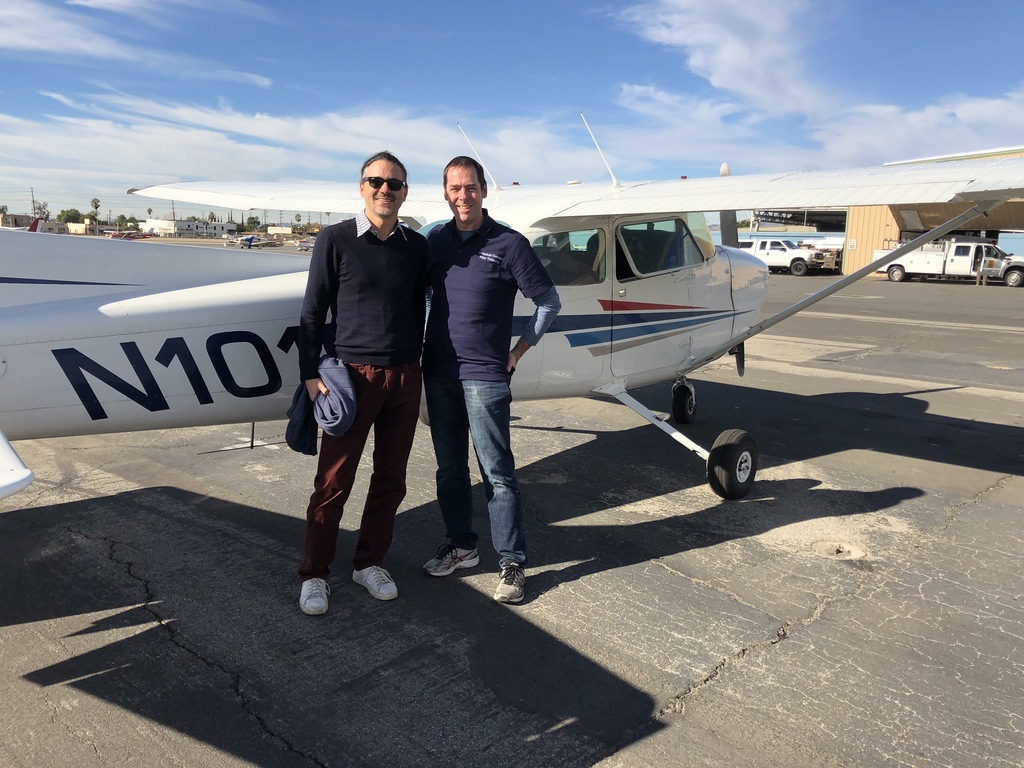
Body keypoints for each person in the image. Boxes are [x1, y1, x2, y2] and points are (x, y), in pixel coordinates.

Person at [421, 156, 561, 604]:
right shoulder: (435, 239)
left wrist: (517, 352)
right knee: (449, 468)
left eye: (471, 187)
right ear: (445, 193)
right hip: (439, 372)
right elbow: (427, 292)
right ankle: (461, 546)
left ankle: (512, 561)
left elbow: (549, 302)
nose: (463, 196)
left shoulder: (509, 243)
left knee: (497, 474)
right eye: (455, 188)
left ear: (483, 190)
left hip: (485, 376)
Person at [296, 151, 427, 615]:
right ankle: (315, 573)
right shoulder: (335, 239)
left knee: (391, 479)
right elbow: (313, 311)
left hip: (405, 375)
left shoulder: (417, 247)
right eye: (376, 181)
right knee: (333, 481)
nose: (384, 190)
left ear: (404, 192)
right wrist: (310, 376)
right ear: (362, 188)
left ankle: (369, 562)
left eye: (394, 184)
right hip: (352, 378)